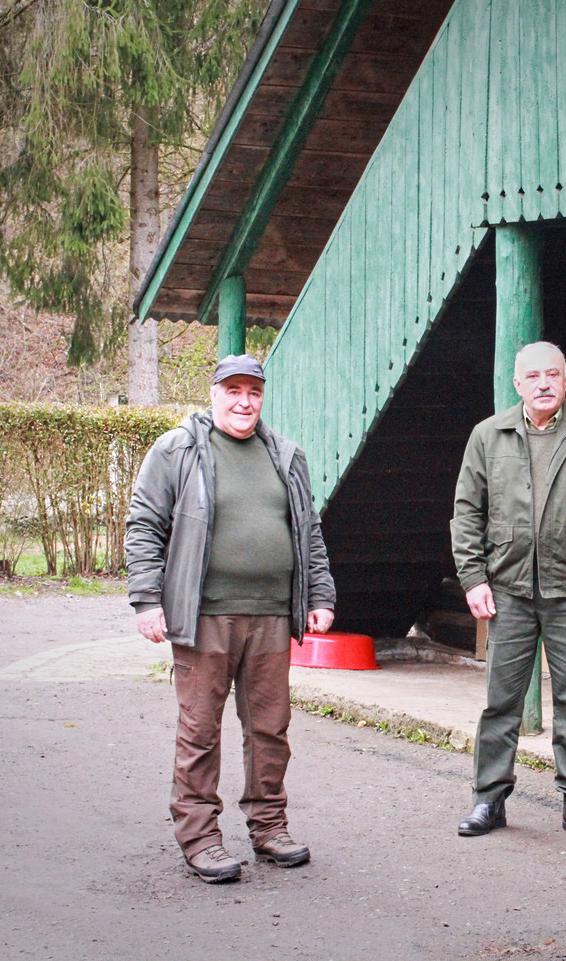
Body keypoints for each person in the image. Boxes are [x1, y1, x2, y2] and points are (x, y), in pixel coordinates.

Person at [126, 354, 336, 882]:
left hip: (270, 617)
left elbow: (308, 531)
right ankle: (200, 837)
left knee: (270, 729)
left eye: (254, 392)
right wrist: (147, 601)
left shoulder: (286, 455)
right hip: (204, 617)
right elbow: (145, 525)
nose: (244, 402)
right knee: (200, 730)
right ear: (214, 394)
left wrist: (320, 594)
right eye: (233, 390)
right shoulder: (178, 449)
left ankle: (269, 827)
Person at [450, 341, 566, 843]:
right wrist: (473, 577)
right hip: (506, 588)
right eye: (532, 377)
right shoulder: (488, 436)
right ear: (517, 384)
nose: (544, 384)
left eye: (552, 374)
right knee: (500, 702)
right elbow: (467, 511)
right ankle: (488, 799)